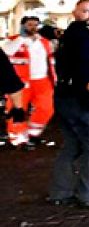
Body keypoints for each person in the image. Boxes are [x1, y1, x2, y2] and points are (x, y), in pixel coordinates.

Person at [49, 0, 89, 207]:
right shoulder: (84, 37)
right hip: (82, 97)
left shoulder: (68, 36)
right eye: (86, 11)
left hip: (65, 95)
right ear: (75, 12)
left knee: (72, 145)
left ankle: (60, 192)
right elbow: (84, 63)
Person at [4, 16, 55, 149]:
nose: (33, 27)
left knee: (47, 108)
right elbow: (5, 52)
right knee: (17, 110)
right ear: (22, 25)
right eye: (30, 24)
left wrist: (54, 79)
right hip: (20, 83)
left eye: (35, 25)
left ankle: (32, 134)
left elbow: (50, 61)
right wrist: (21, 38)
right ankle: (18, 139)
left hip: (42, 80)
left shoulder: (44, 42)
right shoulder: (12, 40)